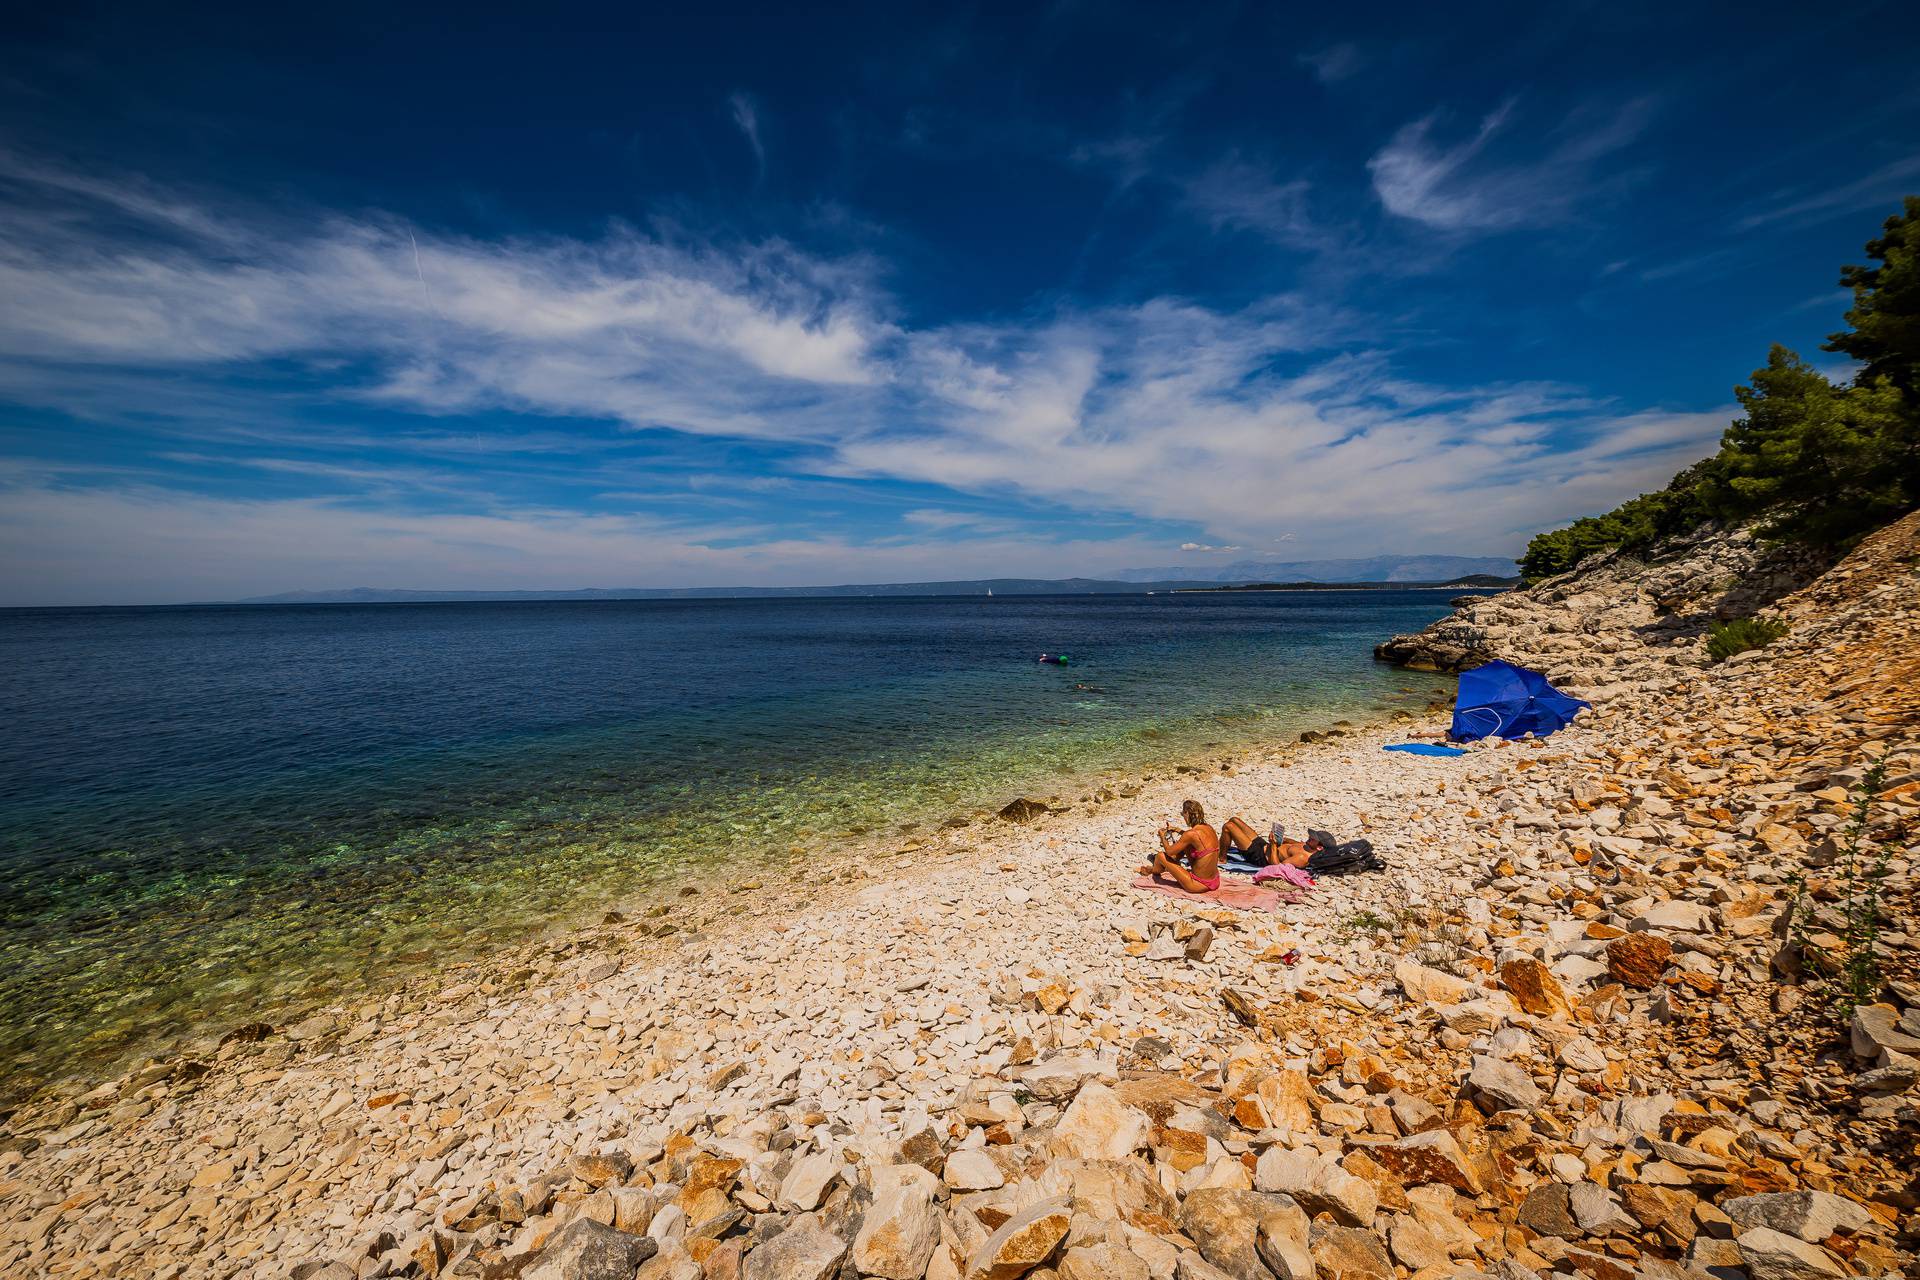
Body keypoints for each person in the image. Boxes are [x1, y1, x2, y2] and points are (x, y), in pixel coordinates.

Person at [1138, 799, 1220, 892]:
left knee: (1161, 856)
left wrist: (1162, 837)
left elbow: (1169, 852)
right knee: (1187, 845)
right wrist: (1177, 830)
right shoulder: (1208, 828)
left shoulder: (1190, 834)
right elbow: (1195, 839)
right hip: (1215, 881)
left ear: (1187, 814)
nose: (1183, 817)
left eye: (1183, 814)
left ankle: (1153, 870)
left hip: (1198, 885)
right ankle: (1170, 863)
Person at [1220, 816, 1324, 869]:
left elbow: (1277, 868)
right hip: (1265, 845)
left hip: (1259, 856)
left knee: (1228, 827)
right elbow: (1288, 843)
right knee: (1234, 820)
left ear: (1319, 847)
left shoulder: (1302, 858)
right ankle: (1222, 846)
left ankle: (1222, 858)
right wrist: (1278, 837)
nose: (1310, 837)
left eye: (1313, 839)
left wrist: (1273, 845)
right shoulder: (1306, 845)